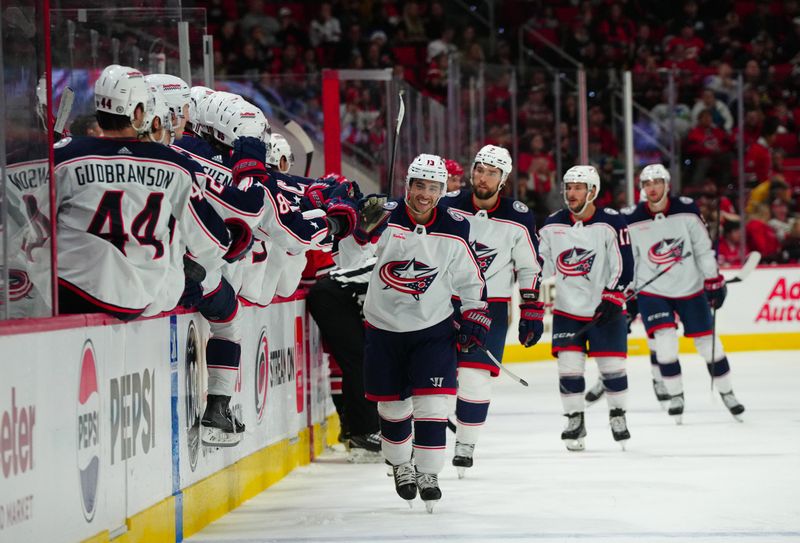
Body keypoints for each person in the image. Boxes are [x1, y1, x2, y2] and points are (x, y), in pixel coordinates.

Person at [335, 154, 489, 512]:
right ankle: (402, 465)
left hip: (432, 329)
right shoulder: (384, 216)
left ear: (442, 191)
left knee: (433, 405)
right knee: (392, 408)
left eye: (433, 187)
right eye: (419, 185)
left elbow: (471, 278)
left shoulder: (454, 225)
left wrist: (475, 315)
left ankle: (430, 473)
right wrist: (357, 231)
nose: (425, 194)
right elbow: (347, 262)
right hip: (383, 330)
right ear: (408, 185)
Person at [53, 65, 233, 322]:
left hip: (71, 288)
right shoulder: (175, 165)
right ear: (138, 111)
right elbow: (214, 243)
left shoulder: (64, 155)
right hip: (139, 297)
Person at [441, 145, 542, 477]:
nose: (483, 177)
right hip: (443, 302)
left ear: (504, 179)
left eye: (492, 173)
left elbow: (529, 267)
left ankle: (466, 444)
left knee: (474, 379)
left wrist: (532, 311)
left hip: (491, 306)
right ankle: (420, 442)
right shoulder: (447, 205)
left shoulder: (518, 215)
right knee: (429, 375)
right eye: (480, 169)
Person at [621, 164, 745, 422]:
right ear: (642, 189)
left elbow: (702, 248)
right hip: (653, 291)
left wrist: (712, 279)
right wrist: (629, 292)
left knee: (709, 344)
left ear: (667, 185)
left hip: (690, 287)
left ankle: (727, 392)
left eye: (657, 182)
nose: (652, 188)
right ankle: (676, 395)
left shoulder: (686, 210)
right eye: (647, 184)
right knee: (665, 344)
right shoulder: (632, 218)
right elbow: (630, 259)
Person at [538, 165, 634, 451]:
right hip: (567, 310)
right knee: (568, 369)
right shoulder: (552, 224)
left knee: (613, 368)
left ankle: (618, 414)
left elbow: (625, 263)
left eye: (578, 187)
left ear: (593, 191)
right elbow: (539, 265)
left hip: (604, 308)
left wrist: (613, 295)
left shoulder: (611, 223)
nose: (571, 193)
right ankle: (574, 419)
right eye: (568, 187)